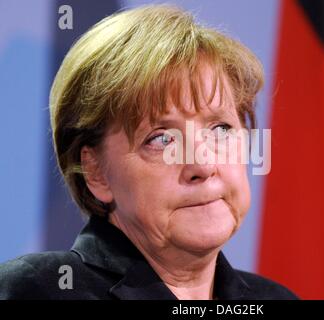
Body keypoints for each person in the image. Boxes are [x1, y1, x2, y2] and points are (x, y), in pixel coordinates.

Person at [0, 4, 297, 300]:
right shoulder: (39, 290)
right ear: (96, 172)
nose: (203, 165)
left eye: (220, 129)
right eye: (161, 139)